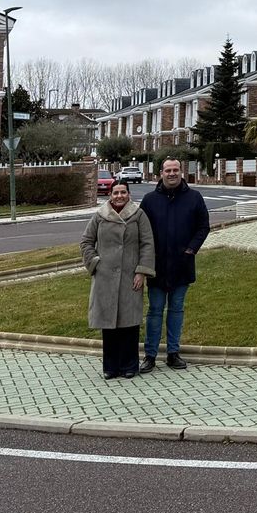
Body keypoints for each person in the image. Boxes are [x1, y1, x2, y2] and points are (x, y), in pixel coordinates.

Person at [138, 157, 209, 372]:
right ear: (161, 173)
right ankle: (150, 355)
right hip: (157, 266)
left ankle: (173, 353)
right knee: (155, 310)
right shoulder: (150, 200)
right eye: (168, 170)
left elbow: (203, 227)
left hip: (182, 264)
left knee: (176, 309)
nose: (172, 174)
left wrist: (190, 249)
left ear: (181, 172)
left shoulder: (194, 198)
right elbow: (141, 231)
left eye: (175, 170)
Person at [80, 180, 155, 380]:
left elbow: (147, 244)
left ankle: (130, 365)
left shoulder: (138, 215)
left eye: (123, 192)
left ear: (128, 194)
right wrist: (94, 262)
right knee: (109, 324)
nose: (119, 196)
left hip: (130, 277)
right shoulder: (100, 216)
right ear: (110, 195)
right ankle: (110, 367)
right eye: (116, 193)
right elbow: (86, 241)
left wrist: (142, 271)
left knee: (129, 323)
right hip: (105, 277)